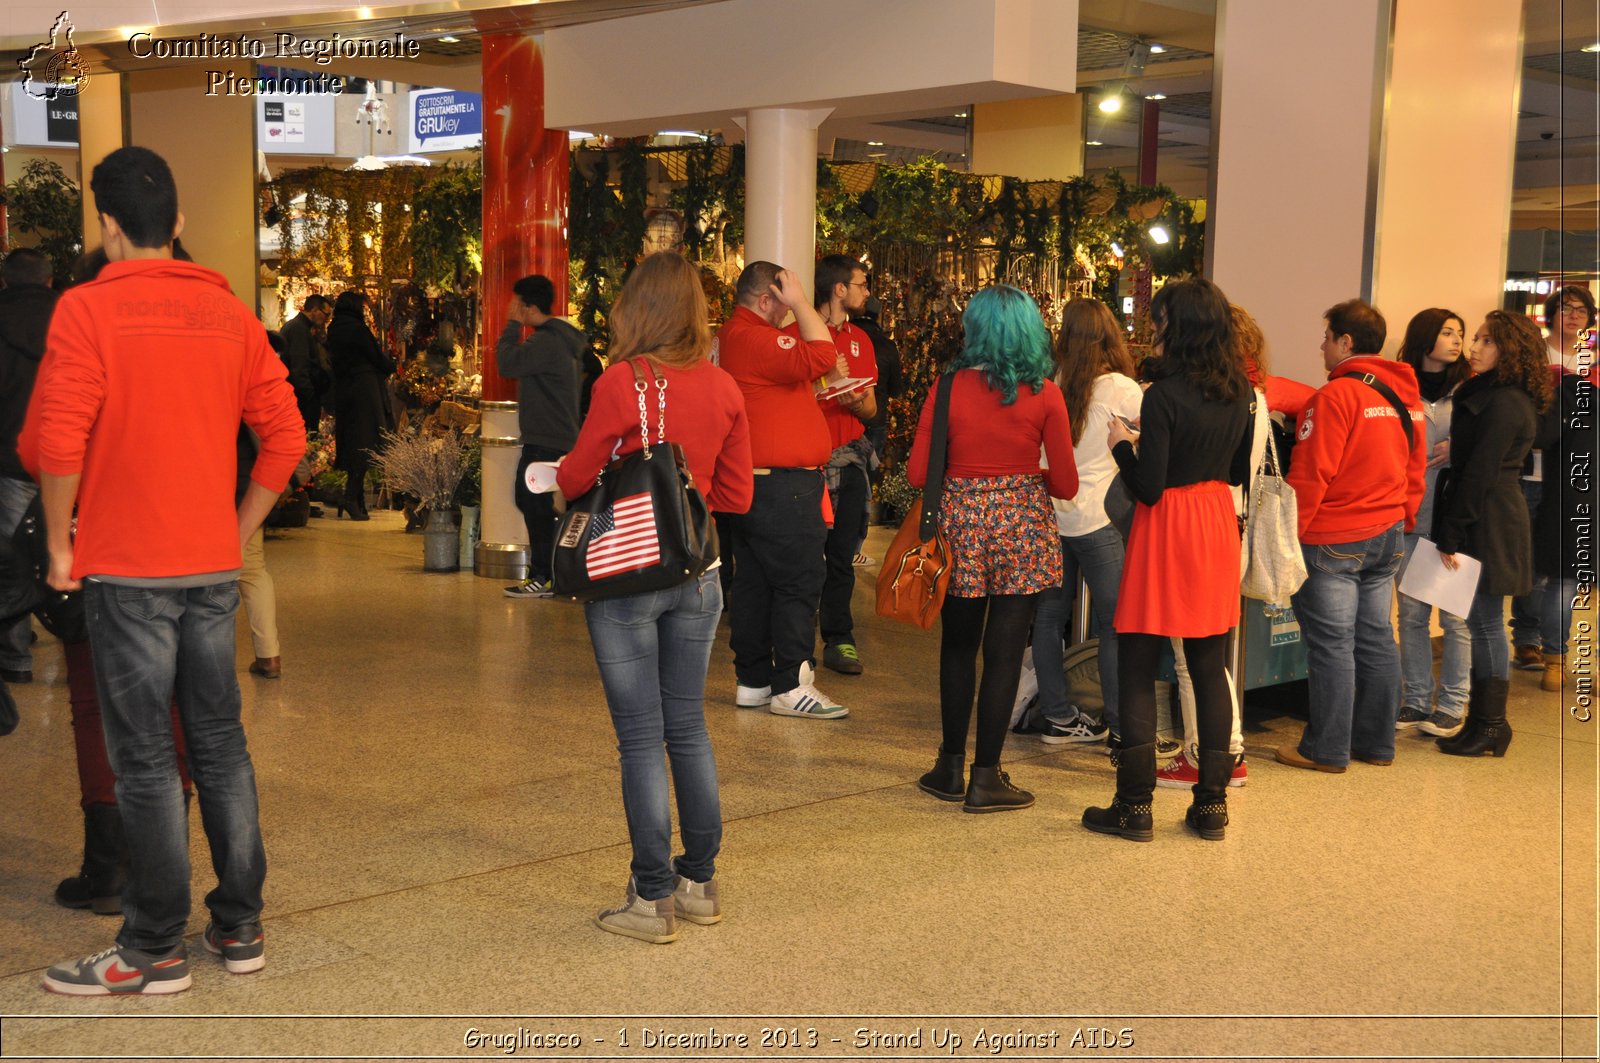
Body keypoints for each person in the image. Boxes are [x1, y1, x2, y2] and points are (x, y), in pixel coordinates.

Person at [23, 145, 305, 994]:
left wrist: (63, 542)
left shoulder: (84, 311)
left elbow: (55, 437)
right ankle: (240, 925)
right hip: (210, 567)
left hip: (128, 571)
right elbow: (286, 437)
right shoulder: (231, 315)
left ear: (108, 228)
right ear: (177, 223)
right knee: (220, 746)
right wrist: (236, 523)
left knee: (144, 757)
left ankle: (152, 946)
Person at [556, 252, 752, 943]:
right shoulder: (726, 387)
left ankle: (652, 898)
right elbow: (737, 496)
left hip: (628, 575)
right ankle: (700, 880)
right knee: (688, 726)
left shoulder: (621, 382)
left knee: (640, 738)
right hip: (700, 576)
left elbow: (579, 473)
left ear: (638, 308)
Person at [1082, 278, 1252, 842]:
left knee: (1138, 660)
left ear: (1177, 327)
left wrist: (1122, 446)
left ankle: (1133, 807)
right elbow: (1229, 471)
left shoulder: (1163, 395)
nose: (1153, 327)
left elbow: (1149, 488)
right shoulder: (1240, 393)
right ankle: (1212, 808)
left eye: (1159, 319)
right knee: (1210, 666)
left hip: (1168, 527)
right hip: (1213, 522)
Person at [911, 285, 1076, 813]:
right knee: (1005, 652)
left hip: (958, 522)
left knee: (958, 646)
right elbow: (1068, 484)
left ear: (974, 328)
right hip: (1022, 524)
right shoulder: (1046, 393)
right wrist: (1027, 479)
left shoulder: (947, 386)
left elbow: (919, 472)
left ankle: (948, 766)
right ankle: (987, 777)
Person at [1155, 303, 1304, 790]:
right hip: (1233, 526)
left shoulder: (1223, 397)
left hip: (1208, 525)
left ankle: (1211, 753)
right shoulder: (1255, 395)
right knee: (1212, 654)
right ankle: (1225, 749)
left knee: (1192, 657)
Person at [1278, 299, 1426, 774]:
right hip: (1387, 534)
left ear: (1346, 342)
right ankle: (1376, 745)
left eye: (1326, 337)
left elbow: (1312, 472)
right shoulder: (1406, 398)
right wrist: (1404, 515)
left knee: (1332, 646)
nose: (1321, 346)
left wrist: (1291, 538)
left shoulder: (1334, 397)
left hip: (1333, 538)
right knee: (1378, 638)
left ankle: (1325, 750)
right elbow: (1415, 466)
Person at [715, 261, 848, 719]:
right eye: (783, 301)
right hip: (783, 488)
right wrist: (803, 303)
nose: (789, 313)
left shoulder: (734, 337)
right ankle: (792, 683)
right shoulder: (754, 337)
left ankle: (753, 680)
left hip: (756, 484)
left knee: (754, 584)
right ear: (767, 298)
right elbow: (823, 356)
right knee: (798, 582)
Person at [1433, 311, 1550, 757]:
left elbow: (1482, 472)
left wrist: (1452, 532)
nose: (1474, 347)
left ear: (1510, 349)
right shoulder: (1492, 392)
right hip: (1488, 510)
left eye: (1485, 340)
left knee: (1485, 623)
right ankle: (1483, 723)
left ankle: (1492, 723)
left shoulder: (1505, 401)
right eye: (1475, 339)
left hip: (1492, 517)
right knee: (1479, 621)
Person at [1029, 298, 1138, 747]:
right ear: (1109, 334)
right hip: (1102, 519)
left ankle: (1056, 715)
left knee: (1049, 618)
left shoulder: (1051, 383)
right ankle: (1119, 724)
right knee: (1115, 623)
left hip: (1055, 514)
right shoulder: (1122, 389)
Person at [786, 254, 877, 675]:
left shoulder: (861, 338)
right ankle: (795, 645)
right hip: (805, 465)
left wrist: (855, 400)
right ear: (839, 288)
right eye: (861, 283)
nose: (866, 291)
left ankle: (840, 639)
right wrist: (822, 383)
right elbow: (779, 400)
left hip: (849, 458)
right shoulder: (793, 337)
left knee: (842, 557)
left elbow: (872, 408)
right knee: (804, 559)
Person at [1391, 309, 1472, 737]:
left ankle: (1454, 703)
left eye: (1460, 333)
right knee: (1411, 616)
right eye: (1447, 332)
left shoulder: (1472, 388)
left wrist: (1459, 445)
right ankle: (1417, 700)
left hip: (1451, 518)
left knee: (1455, 617)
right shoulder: (1398, 385)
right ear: (1425, 337)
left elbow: (1493, 440)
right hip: (1407, 514)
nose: (1457, 340)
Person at [1511, 285, 1597, 683]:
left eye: (1582, 309)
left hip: (1574, 477)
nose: (1574, 315)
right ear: (1551, 313)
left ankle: (1548, 647)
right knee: (1529, 561)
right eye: (1565, 307)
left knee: (1557, 567)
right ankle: (1526, 637)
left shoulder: (1593, 361)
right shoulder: (1534, 355)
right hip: (1533, 470)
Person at [499, 274, 589, 599]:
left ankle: (545, 575)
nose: (512, 308)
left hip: (546, 438)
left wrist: (511, 325)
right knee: (536, 503)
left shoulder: (545, 341)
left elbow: (506, 363)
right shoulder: (560, 338)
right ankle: (554, 573)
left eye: (516, 304)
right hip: (556, 435)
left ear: (527, 306)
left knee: (533, 503)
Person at [0, 248, 58, 685]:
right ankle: (76, 635)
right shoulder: (71, 317)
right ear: (48, 280)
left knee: (12, 555)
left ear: (6, 281)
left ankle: (16, 656)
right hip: (68, 456)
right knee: (73, 546)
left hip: (9, 456)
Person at [327, 290, 393, 521]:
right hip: (364, 390)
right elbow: (376, 357)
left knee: (354, 441)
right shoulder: (357, 329)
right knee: (366, 441)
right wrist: (390, 365)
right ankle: (351, 496)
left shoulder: (334, 329)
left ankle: (356, 499)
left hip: (344, 390)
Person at [279, 295, 332, 434]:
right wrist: (311, 398)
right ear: (314, 310)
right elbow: (299, 368)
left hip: (298, 397)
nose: (326, 319)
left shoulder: (298, 327)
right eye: (326, 314)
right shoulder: (299, 330)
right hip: (301, 400)